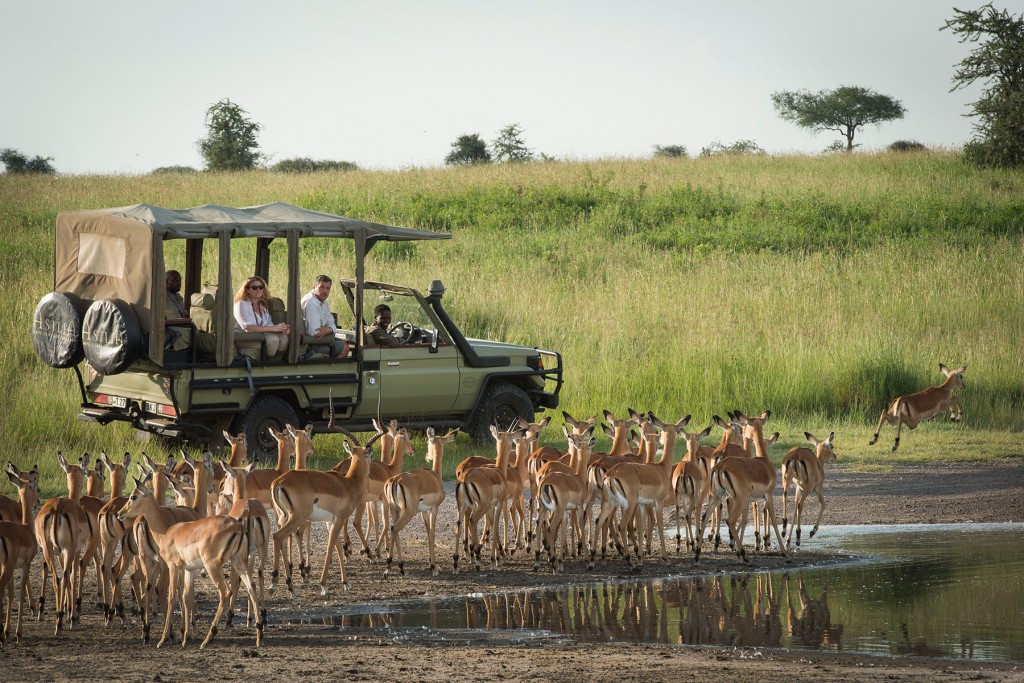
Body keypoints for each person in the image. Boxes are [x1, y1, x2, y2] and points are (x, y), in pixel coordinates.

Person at [233, 276, 290, 360]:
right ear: (247, 290)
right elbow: (247, 328)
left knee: (284, 338)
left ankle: (276, 362)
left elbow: (269, 324)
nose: (258, 290)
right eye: (254, 287)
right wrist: (274, 328)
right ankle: (267, 365)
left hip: (261, 335)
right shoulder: (241, 304)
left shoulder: (263, 305)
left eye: (261, 287)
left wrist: (282, 329)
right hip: (245, 337)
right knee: (273, 339)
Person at [300, 274, 350, 358]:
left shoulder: (322, 301)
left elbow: (330, 321)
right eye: (322, 287)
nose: (325, 291)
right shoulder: (311, 303)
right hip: (309, 344)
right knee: (345, 348)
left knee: (344, 343)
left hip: (318, 340)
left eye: (327, 288)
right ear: (314, 287)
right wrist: (329, 330)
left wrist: (329, 329)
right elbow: (315, 333)